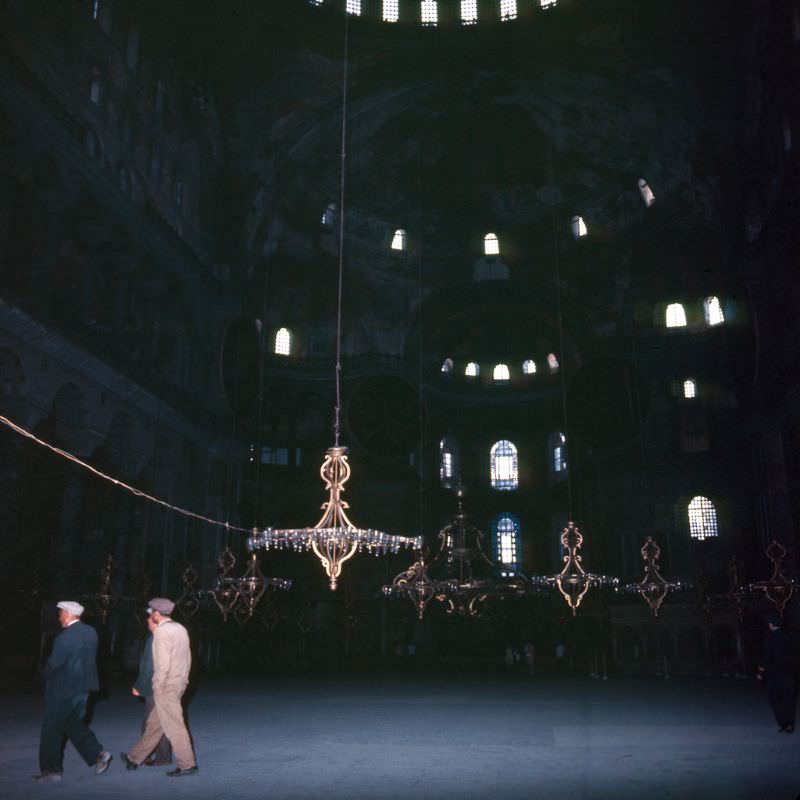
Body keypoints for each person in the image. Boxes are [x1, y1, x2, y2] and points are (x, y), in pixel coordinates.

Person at [34, 601, 112, 782]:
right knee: (72, 724)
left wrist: (42, 674)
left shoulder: (64, 637)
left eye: (61, 613)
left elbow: (55, 664)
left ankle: (51, 770)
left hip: (62, 690)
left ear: (69, 614)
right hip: (84, 688)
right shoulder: (90, 632)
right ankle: (97, 755)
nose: (59, 616)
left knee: (50, 730)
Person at [121, 597, 197, 777]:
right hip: (179, 682)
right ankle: (134, 758)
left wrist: (158, 686)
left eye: (151, 612)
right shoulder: (180, 628)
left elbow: (161, 664)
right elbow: (187, 659)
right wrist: (183, 680)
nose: (150, 615)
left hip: (166, 686)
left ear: (156, 614)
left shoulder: (161, 632)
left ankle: (187, 765)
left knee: (175, 726)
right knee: (154, 725)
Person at [131, 613, 172, 766]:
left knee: (151, 723)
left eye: (148, 618)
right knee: (160, 721)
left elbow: (148, 666)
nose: (147, 620)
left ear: (155, 620)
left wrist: (139, 686)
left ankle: (145, 755)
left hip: (154, 686)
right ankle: (163, 757)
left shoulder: (154, 638)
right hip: (168, 685)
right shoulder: (168, 636)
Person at [756, 611, 797, 733]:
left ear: (770, 625)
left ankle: (783, 722)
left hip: (773, 675)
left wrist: (759, 673)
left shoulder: (769, 639)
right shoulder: (790, 637)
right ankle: (789, 724)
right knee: (789, 700)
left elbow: (765, 657)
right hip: (789, 674)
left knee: (775, 700)